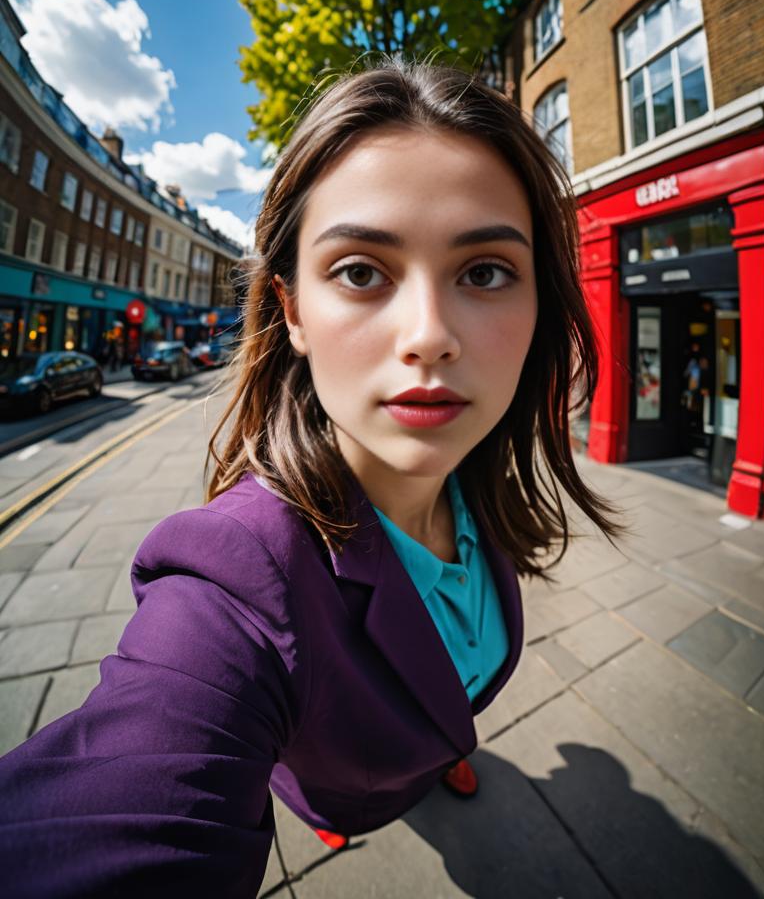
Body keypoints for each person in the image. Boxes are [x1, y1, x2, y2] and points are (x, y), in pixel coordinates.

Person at [0, 57, 619, 897]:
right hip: (353, 797)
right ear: (292, 310)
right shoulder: (237, 577)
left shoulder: (482, 478)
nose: (430, 336)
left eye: (484, 272)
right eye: (361, 271)